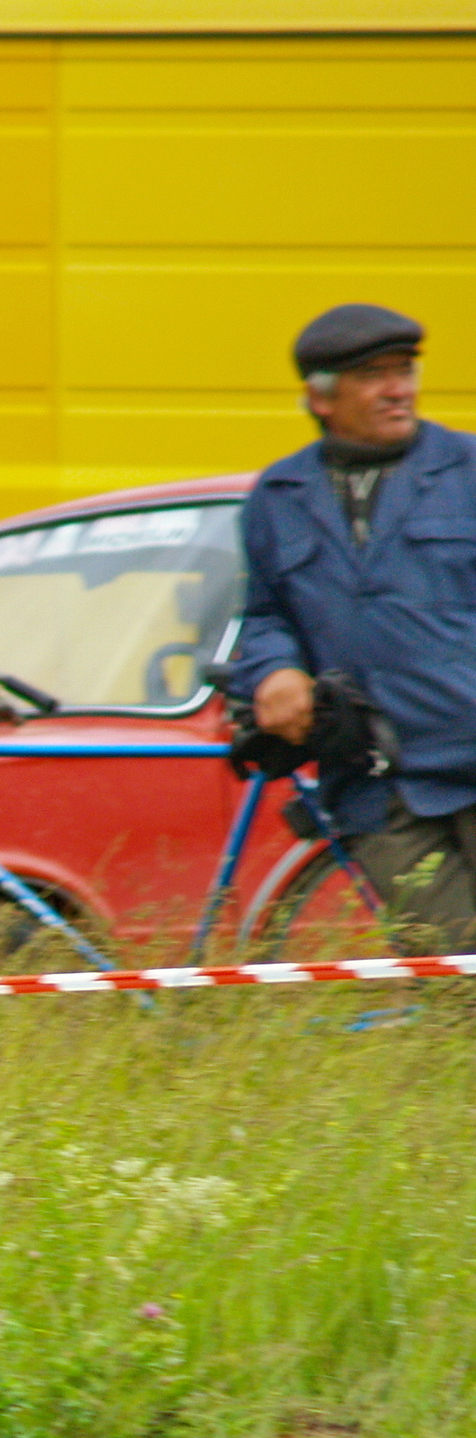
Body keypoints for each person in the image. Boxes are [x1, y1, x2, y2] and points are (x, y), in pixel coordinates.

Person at [233, 304, 476, 953]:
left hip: (469, 750)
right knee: (457, 977)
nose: (399, 389)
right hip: (379, 786)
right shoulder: (279, 496)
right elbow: (265, 614)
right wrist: (275, 669)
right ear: (321, 397)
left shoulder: (468, 470)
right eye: (373, 376)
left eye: (405, 371)